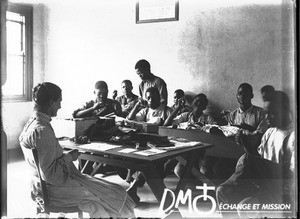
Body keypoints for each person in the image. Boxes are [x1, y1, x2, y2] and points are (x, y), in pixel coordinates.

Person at [19, 82, 136, 218]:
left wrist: (64, 155)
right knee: (115, 194)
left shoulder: (32, 123)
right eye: (59, 102)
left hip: (41, 185)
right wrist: (70, 157)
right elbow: (52, 175)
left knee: (113, 190)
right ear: (51, 102)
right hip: (53, 189)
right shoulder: (42, 130)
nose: (60, 106)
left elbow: (46, 163)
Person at [216, 91, 295, 218]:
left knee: (246, 161)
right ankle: (228, 187)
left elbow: (292, 176)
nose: (267, 117)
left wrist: (258, 166)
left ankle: (232, 184)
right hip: (263, 184)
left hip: (283, 190)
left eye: (272, 113)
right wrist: (245, 143)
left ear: (285, 111)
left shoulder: (293, 136)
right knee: (223, 191)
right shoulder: (270, 132)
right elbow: (258, 160)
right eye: (266, 113)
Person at [163, 93, 215, 178]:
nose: (198, 104)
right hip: (186, 150)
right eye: (197, 101)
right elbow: (166, 124)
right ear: (192, 103)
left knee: (204, 171)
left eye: (202, 103)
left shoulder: (208, 118)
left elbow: (213, 133)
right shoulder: (186, 115)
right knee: (177, 169)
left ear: (205, 106)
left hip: (202, 151)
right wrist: (178, 107)